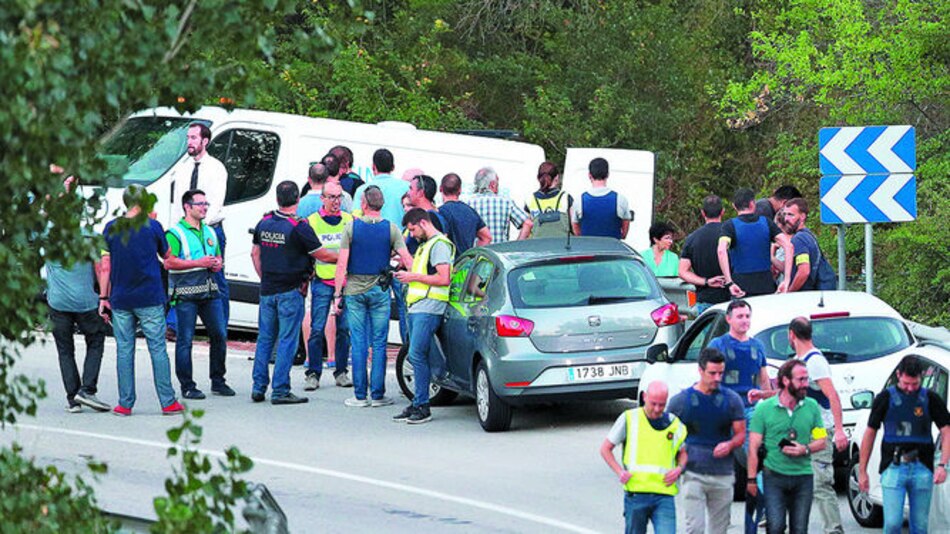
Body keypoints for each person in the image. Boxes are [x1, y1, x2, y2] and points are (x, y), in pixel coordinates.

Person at [98, 185, 183, 416]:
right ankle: (168, 402)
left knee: (124, 350)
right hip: (149, 296)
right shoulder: (153, 226)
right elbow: (167, 256)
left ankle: (125, 403)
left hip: (121, 298)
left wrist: (103, 297)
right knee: (157, 348)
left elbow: (105, 265)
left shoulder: (111, 228)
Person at [250, 181, 337, 405]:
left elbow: (255, 254)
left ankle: (258, 387)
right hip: (291, 290)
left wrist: (265, 278)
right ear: (298, 199)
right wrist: (345, 257)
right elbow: (323, 255)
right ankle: (280, 390)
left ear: (277, 199)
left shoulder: (265, 222)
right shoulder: (299, 226)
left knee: (265, 339)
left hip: (267, 290)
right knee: (287, 340)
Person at [333, 186, 414, 408]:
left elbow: (342, 265)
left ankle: (360, 395)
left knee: (358, 342)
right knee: (379, 343)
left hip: (355, 290)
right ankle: (378, 394)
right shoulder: (392, 229)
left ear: (364, 204)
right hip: (380, 290)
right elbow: (407, 259)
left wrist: (337, 295)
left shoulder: (351, 228)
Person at [858, 355, 950, 534]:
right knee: (892, 523)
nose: (910, 389)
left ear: (921, 378)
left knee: (920, 525)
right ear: (898, 375)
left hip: (922, 467)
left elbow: (946, 430)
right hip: (893, 466)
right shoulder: (885, 398)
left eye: (914, 384)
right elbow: (870, 433)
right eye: (906, 383)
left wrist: (942, 465)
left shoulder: (930, 398)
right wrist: (862, 471)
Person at [706, 299, 772, 533]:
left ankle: (766, 508)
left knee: (758, 457)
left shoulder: (757, 347)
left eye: (747, 316)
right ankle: (718, 514)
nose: (744, 320)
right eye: (740, 316)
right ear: (729, 319)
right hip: (724, 411)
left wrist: (769, 400)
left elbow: (764, 379)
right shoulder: (719, 344)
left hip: (751, 409)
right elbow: (708, 378)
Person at [46, 175, 111, 413]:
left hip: (57, 302)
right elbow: (103, 266)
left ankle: (73, 399)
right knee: (95, 342)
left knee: (65, 350)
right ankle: (88, 390)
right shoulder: (90, 235)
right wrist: (104, 298)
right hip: (86, 301)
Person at [667, 348, 746, 534]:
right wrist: (677, 458)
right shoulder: (681, 401)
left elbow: (741, 434)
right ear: (701, 371)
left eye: (721, 373)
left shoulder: (732, 400)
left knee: (719, 530)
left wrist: (730, 444)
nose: (717, 378)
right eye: (712, 373)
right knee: (695, 528)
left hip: (723, 474)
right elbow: (667, 434)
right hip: (693, 473)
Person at [165, 189, 233, 400]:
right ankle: (187, 385)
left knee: (219, 334)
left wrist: (216, 264)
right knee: (185, 339)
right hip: (186, 294)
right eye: (200, 204)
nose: (204, 208)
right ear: (187, 207)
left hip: (210, 292)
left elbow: (218, 257)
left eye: (206, 204)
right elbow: (169, 262)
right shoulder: (175, 233)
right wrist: (198, 263)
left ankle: (218, 380)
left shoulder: (210, 232)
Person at [747, 359, 827, 534]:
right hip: (774, 476)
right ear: (785, 381)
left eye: (807, 379)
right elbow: (753, 447)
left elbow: (822, 440)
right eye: (801, 380)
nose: (806, 384)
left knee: (799, 529)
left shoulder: (812, 406)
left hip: (803, 477)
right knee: (775, 527)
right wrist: (751, 480)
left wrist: (805, 449)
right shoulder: (764, 409)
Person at [392, 208, 454, 424]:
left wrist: (412, 277)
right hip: (420, 305)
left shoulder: (439, 245)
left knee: (417, 355)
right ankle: (418, 402)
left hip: (429, 307)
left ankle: (422, 405)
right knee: (418, 354)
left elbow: (444, 278)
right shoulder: (426, 245)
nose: (411, 234)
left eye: (412, 229)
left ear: (423, 223)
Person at [601, 381, 688, 534]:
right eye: (653, 403)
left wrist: (679, 469)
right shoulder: (629, 419)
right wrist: (620, 472)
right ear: (644, 397)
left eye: (662, 405)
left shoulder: (673, 423)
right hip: (636, 494)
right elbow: (605, 449)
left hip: (664, 494)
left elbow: (684, 452)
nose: (657, 409)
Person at [788, 317, 847, 534]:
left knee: (821, 483)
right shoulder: (799, 360)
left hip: (819, 429)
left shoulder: (815, 362)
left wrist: (839, 430)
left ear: (791, 334)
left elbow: (832, 395)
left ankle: (833, 529)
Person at [170, 122, 230, 332]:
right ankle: (176, 326)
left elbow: (215, 202)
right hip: (186, 229)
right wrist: (180, 229)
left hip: (210, 229)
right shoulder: (183, 168)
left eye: (194, 138)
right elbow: (178, 203)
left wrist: (201, 228)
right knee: (182, 275)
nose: (189, 142)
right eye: (188, 138)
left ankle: (220, 326)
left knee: (216, 277)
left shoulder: (216, 168)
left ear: (205, 141)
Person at [304, 181, 353, 390]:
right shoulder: (312, 222)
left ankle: (341, 372)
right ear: (322, 198)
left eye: (339, 197)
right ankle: (313, 373)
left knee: (344, 330)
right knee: (316, 328)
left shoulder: (350, 221)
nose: (336, 201)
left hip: (345, 283)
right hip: (322, 282)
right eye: (331, 197)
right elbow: (309, 252)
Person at [718, 187, 793, 297]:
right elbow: (789, 246)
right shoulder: (766, 223)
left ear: (734, 206)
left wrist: (729, 282)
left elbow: (721, 250)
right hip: (766, 286)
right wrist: (786, 280)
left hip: (740, 286)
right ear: (753, 204)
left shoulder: (729, 226)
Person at [678, 195, 728, 314]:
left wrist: (706, 281)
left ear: (702, 213)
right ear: (723, 212)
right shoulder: (730, 234)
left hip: (705, 299)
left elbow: (682, 271)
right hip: (730, 298)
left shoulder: (692, 238)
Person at [465, 167, 532, 243]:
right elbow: (528, 223)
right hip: (500, 253)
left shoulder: (468, 203)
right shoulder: (506, 202)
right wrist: (517, 246)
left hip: (478, 253)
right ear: (493, 184)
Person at [572, 157, 632, 239]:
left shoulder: (579, 200)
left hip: (588, 249)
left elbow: (576, 231)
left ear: (589, 175)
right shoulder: (621, 199)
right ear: (608, 174)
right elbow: (624, 233)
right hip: (613, 249)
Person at [782, 198, 833, 292]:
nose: (786, 219)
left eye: (790, 215)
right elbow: (794, 267)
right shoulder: (809, 235)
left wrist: (790, 292)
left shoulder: (799, 239)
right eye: (784, 214)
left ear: (802, 216)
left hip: (806, 296)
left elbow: (804, 271)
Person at [352, 148, 409, 229]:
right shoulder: (407, 187)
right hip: (401, 238)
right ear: (393, 167)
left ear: (373, 167)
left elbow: (356, 219)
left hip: (372, 236)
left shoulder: (362, 190)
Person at [437, 173, 491, 254]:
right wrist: (473, 257)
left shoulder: (440, 212)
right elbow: (487, 237)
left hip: (446, 264)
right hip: (465, 264)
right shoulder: (471, 212)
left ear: (440, 188)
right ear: (460, 190)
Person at [523, 161, 572, 238]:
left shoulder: (530, 200)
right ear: (557, 177)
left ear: (538, 178)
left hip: (537, 247)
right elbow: (573, 225)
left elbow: (527, 228)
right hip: (561, 247)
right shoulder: (565, 197)